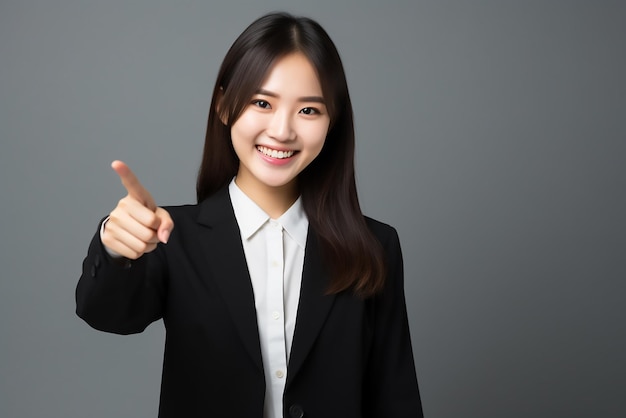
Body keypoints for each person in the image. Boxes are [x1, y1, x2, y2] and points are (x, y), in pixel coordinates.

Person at [76, 12, 423, 418]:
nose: (282, 131)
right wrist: (116, 249)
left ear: (333, 122)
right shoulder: (173, 236)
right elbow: (107, 315)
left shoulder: (375, 247)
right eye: (262, 103)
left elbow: (395, 395)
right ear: (224, 106)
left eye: (308, 111)